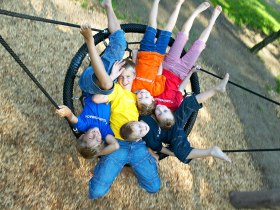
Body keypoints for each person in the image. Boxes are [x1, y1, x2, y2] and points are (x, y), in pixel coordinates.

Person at [137, 73, 231, 164]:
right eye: (160, 112)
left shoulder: (155, 107)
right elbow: (157, 147)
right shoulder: (148, 126)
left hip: (174, 119)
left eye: (164, 110)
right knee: (180, 150)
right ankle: (210, 152)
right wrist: (171, 153)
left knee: (188, 102)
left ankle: (216, 89)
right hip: (172, 133)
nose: (160, 109)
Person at [154, 3, 223, 110]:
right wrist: (191, 72)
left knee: (182, 36)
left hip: (167, 65)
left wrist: (160, 60)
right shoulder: (175, 105)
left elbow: (154, 77)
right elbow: (181, 88)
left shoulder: (151, 101)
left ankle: (195, 13)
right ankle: (212, 22)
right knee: (199, 46)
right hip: (182, 72)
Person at [131, 0, 185, 100]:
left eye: (140, 98)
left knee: (152, 26)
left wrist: (134, 56)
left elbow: (134, 70)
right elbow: (159, 73)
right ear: (152, 99)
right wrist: (161, 59)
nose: (143, 95)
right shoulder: (155, 91)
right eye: (146, 98)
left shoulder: (133, 88)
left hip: (145, 52)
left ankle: (156, 2)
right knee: (168, 29)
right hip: (159, 54)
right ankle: (178, 6)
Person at [78, 0, 126, 95]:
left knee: (107, 85)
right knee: (120, 43)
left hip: (93, 84)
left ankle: (89, 42)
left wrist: (111, 77)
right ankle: (108, 5)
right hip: (114, 74)